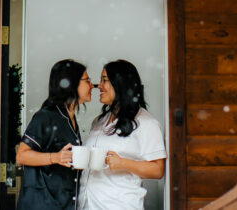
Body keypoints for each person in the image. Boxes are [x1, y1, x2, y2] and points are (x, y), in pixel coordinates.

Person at [79, 60, 166, 210]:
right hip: (87, 205)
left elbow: (157, 170)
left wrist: (122, 163)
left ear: (121, 83)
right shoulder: (99, 121)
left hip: (119, 205)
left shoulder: (145, 122)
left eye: (104, 80)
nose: (98, 86)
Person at [17, 59, 94, 209]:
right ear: (71, 84)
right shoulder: (46, 116)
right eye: (87, 80)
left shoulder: (69, 118)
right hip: (42, 204)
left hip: (63, 204)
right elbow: (22, 155)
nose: (92, 85)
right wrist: (55, 157)